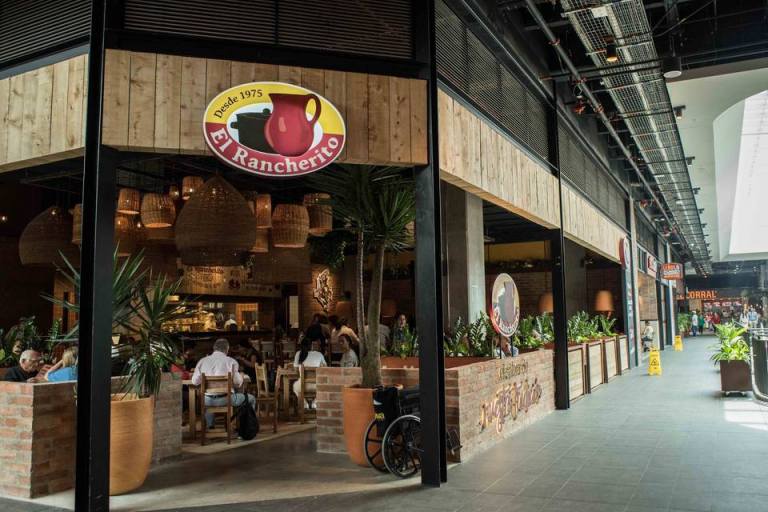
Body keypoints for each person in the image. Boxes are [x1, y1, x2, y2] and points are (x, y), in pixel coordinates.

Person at [191, 339, 256, 430]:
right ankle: (247, 429)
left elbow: (194, 382)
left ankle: (210, 426)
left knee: (206, 398)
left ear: (214, 348)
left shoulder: (202, 361)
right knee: (251, 399)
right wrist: (240, 376)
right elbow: (238, 384)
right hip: (226, 400)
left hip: (207, 401)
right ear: (227, 350)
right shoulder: (231, 361)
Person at [292, 338, 327, 408]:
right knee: (324, 386)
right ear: (312, 346)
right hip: (317, 386)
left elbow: (295, 369)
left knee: (294, 386)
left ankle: (305, 403)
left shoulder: (298, 354)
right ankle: (315, 402)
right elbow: (325, 369)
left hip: (302, 386)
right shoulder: (319, 354)